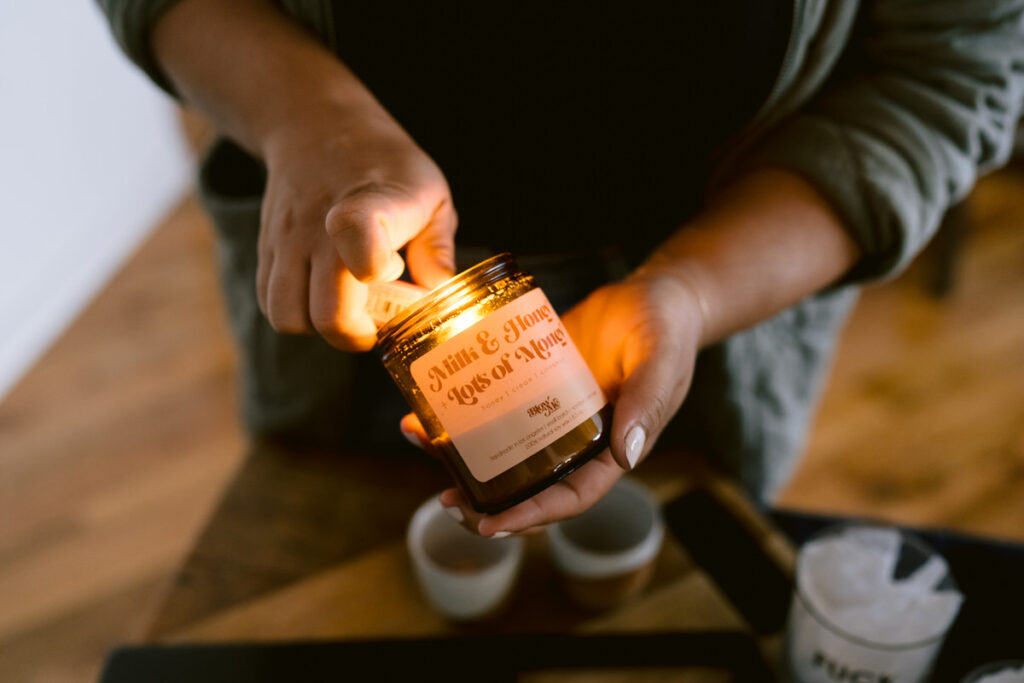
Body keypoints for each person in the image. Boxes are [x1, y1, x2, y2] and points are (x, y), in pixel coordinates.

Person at [99, 0, 1024, 538]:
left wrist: (694, 291)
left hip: (726, 292)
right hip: (350, 276)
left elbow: (953, 70)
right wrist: (308, 115)